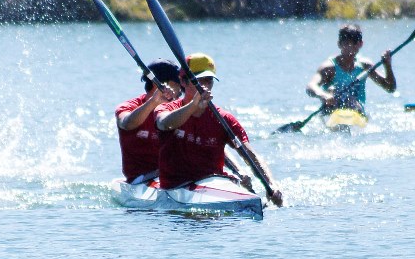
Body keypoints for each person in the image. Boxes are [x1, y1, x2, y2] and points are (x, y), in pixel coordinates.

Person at [156, 53, 283, 206]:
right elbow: (164, 124)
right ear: (183, 81)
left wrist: (271, 184)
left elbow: (250, 154)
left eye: (209, 80)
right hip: (175, 187)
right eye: (198, 81)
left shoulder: (223, 118)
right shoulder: (167, 109)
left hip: (213, 184)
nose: (205, 86)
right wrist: (193, 105)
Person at [115, 59, 181, 184]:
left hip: (175, 176)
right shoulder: (128, 107)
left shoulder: (179, 109)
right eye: (178, 83)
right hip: (141, 179)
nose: (181, 89)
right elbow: (127, 124)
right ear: (162, 84)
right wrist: (153, 102)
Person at [306, 24, 395, 113]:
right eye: (346, 43)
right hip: (331, 111)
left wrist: (387, 66)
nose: (350, 47)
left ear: (361, 44)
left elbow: (390, 88)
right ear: (339, 44)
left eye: (354, 43)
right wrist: (323, 95)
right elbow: (311, 86)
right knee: (332, 90)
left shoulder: (365, 66)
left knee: (350, 100)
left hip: (357, 112)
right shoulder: (329, 68)